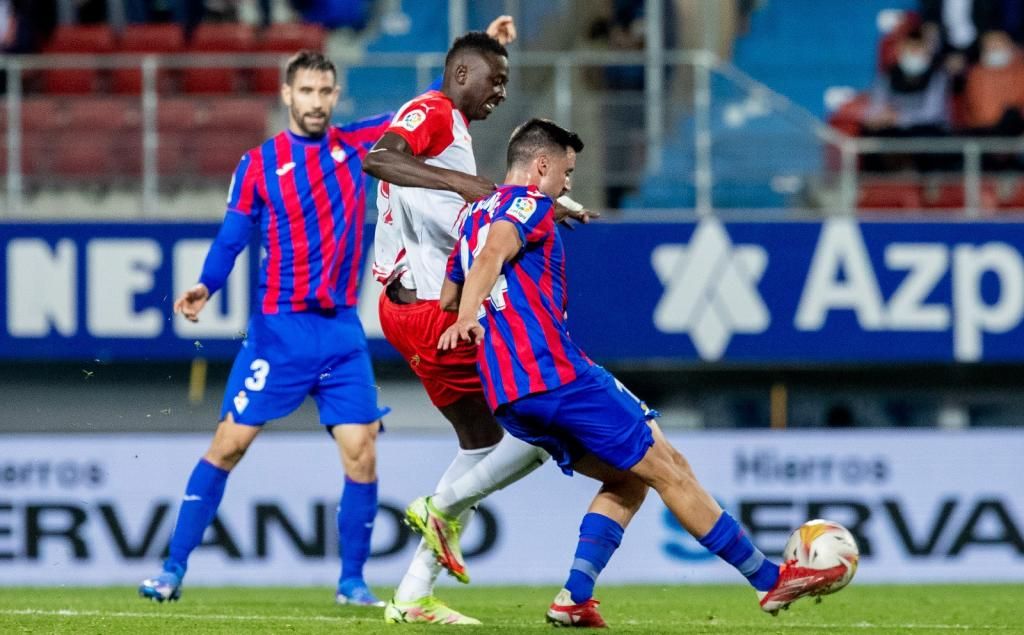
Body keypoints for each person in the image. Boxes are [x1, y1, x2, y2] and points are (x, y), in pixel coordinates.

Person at [437, 118, 849, 627]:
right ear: (541, 165)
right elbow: (495, 255)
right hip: (555, 374)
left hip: (510, 395)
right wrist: (469, 317)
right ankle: (770, 580)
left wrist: (468, 312)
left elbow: (450, 291)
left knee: (629, 479)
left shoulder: (473, 216)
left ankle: (574, 597)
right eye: (565, 172)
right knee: (670, 466)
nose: (568, 184)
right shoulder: (528, 206)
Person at [139, 51, 392, 607]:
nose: (318, 102)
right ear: (287, 95)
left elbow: (427, 106)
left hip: (342, 335)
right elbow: (233, 234)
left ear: (336, 95)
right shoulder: (259, 164)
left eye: (326, 91)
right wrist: (207, 283)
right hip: (280, 333)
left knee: (363, 452)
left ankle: (351, 582)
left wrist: (469, 57)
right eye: (307, 92)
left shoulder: (356, 146)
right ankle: (172, 568)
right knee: (228, 447)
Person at [363, 18, 590, 626]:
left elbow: (479, 200)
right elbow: (379, 158)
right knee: (546, 420)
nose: (503, 93)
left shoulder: (452, 123)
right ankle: (439, 507)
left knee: (485, 441)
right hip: (430, 312)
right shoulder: (434, 111)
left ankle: (412, 595)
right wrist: (462, 180)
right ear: (461, 74)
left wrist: (537, 201)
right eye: (497, 80)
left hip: (417, 310)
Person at [863, 27, 953, 172]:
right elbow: (875, 108)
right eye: (911, 49)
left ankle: (927, 185)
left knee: (926, 137)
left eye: (919, 50)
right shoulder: (887, 77)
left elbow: (932, 113)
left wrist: (898, 118)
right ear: (901, 51)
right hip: (896, 130)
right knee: (872, 134)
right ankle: (879, 185)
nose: (914, 54)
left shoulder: (937, 77)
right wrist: (878, 118)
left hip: (926, 130)